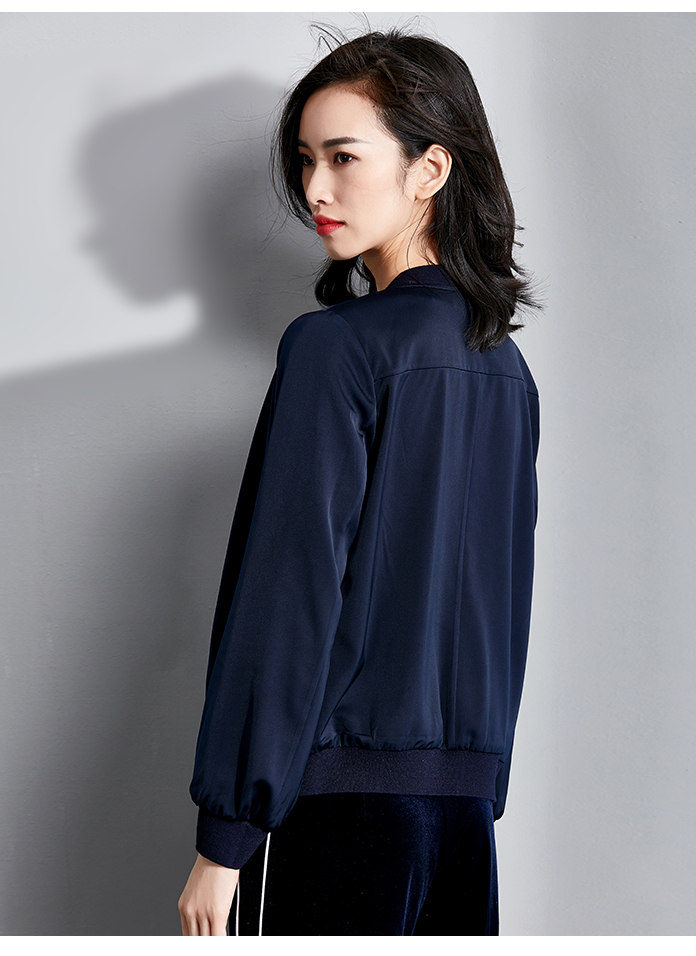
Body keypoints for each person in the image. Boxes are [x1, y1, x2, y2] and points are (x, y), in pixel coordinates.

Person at [178, 27, 540, 936]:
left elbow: (289, 594)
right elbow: (501, 602)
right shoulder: (507, 371)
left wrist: (227, 835)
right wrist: (475, 784)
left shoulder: (334, 348)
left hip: (339, 810)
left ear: (430, 169)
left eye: (343, 157)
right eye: (306, 160)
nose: (314, 189)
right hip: (462, 817)